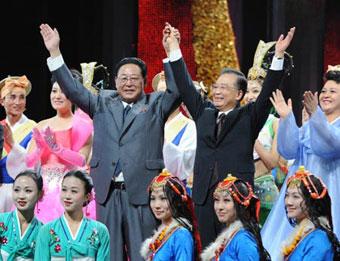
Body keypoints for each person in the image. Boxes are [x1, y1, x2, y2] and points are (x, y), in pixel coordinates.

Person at [39, 23, 180, 260]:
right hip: (107, 192)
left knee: (142, 254)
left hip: (141, 193)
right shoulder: (103, 102)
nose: (128, 82)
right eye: (123, 78)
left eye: (134, 78)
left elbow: (177, 91)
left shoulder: (155, 104)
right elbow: (73, 90)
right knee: (108, 254)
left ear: (144, 81)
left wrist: (172, 52)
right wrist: (55, 52)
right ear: (115, 81)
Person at [163, 22, 295, 247]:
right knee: (208, 249)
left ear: (239, 94)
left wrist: (279, 56)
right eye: (216, 86)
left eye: (225, 87)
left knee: (234, 248)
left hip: (236, 196)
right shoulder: (203, 112)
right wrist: (173, 49)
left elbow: (267, 92)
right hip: (204, 196)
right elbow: (185, 86)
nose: (217, 91)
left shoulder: (249, 116)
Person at [262, 66, 340, 259]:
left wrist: (316, 116)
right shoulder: (312, 122)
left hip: (329, 189)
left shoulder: (329, 124)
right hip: (299, 193)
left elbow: (328, 147)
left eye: (333, 91)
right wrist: (287, 118)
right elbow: (288, 150)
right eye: (323, 91)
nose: (326, 95)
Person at [7, 71, 94, 223]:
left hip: (67, 190)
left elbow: (82, 160)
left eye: (63, 92)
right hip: (41, 192)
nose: (57, 96)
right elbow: (28, 164)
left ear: (74, 95)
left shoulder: (82, 125)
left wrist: (57, 148)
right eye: (54, 91)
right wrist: (39, 150)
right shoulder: (42, 125)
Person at [244, 39, 293, 225]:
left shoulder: (274, 123)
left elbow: (273, 162)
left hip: (265, 193)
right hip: (241, 188)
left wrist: (252, 137)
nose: (250, 96)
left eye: (255, 91)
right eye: (247, 91)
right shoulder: (237, 120)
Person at [35, 170, 110, 260]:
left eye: (74, 191)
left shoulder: (100, 231)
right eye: (64, 190)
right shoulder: (46, 231)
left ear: (87, 196)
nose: (67, 196)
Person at [200, 174, 269, 260]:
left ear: (240, 204)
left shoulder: (243, 240)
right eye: (217, 200)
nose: (220, 207)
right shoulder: (230, 236)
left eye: (226, 200)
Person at [140, 169, 200, 260]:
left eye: (163, 198)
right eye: (153, 199)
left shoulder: (181, 235)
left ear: (176, 201)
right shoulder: (160, 233)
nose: (157, 205)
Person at [281, 166, 339, 260]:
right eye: (287, 195)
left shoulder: (318, 239)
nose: (288, 202)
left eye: (296, 197)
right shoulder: (304, 233)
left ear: (311, 201)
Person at [152, 71, 196, 182]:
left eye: (168, 93)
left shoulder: (189, 126)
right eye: (160, 93)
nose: (163, 98)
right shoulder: (151, 123)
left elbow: (186, 165)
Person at [0, 75, 36, 213]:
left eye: (22, 97)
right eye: (12, 97)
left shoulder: (34, 128)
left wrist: (12, 143)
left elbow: (32, 164)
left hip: (22, 193)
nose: (17, 102)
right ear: (2, 101)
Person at [0, 170, 43, 260]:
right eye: (16, 190)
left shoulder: (42, 232)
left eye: (28, 191)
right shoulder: (2, 221)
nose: (21, 196)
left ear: (40, 194)